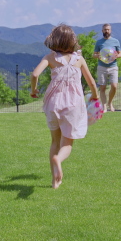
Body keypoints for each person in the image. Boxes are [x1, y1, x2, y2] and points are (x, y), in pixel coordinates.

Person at [30, 24, 99, 189]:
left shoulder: (50, 58)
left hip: (53, 103)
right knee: (67, 143)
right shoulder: (79, 59)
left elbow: (34, 74)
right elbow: (91, 82)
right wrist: (95, 97)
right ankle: (59, 160)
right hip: (73, 105)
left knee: (55, 141)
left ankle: (55, 180)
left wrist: (34, 90)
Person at [93, 23, 121, 112]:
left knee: (114, 86)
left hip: (113, 67)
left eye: (108, 29)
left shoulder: (115, 41)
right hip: (102, 67)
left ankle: (110, 103)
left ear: (110, 31)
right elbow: (94, 54)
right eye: (105, 29)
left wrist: (115, 56)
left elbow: (120, 54)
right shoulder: (99, 42)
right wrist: (100, 56)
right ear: (102, 31)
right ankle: (104, 106)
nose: (106, 31)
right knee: (102, 87)